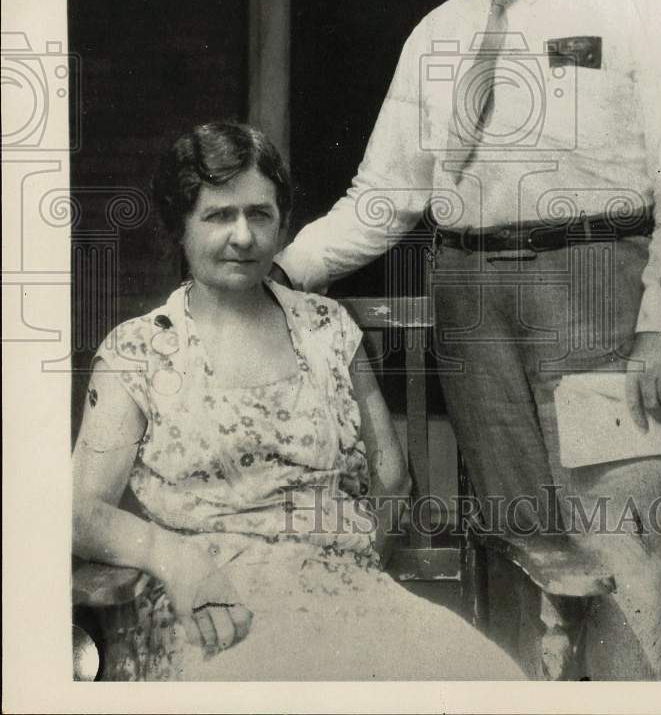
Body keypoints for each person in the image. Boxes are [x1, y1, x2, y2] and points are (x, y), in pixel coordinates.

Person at [273, 0, 661, 680]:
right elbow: (385, 195)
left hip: (600, 295)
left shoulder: (629, 5)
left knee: (621, 561)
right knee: (517, 552)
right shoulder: (436, 33)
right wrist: (273, 272)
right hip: (471, 306)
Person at [72, 121, 524, 681]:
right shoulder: (140, 350)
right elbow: (78, 512)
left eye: (259, 214)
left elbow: (391, 477)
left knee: (482, 674)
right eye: (218, 215)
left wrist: (343, 571)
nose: (243, 236)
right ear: (179, 229)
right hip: (209, 605)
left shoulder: (326, 328)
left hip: (345, 592)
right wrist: (176, 560)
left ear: (282, 222)